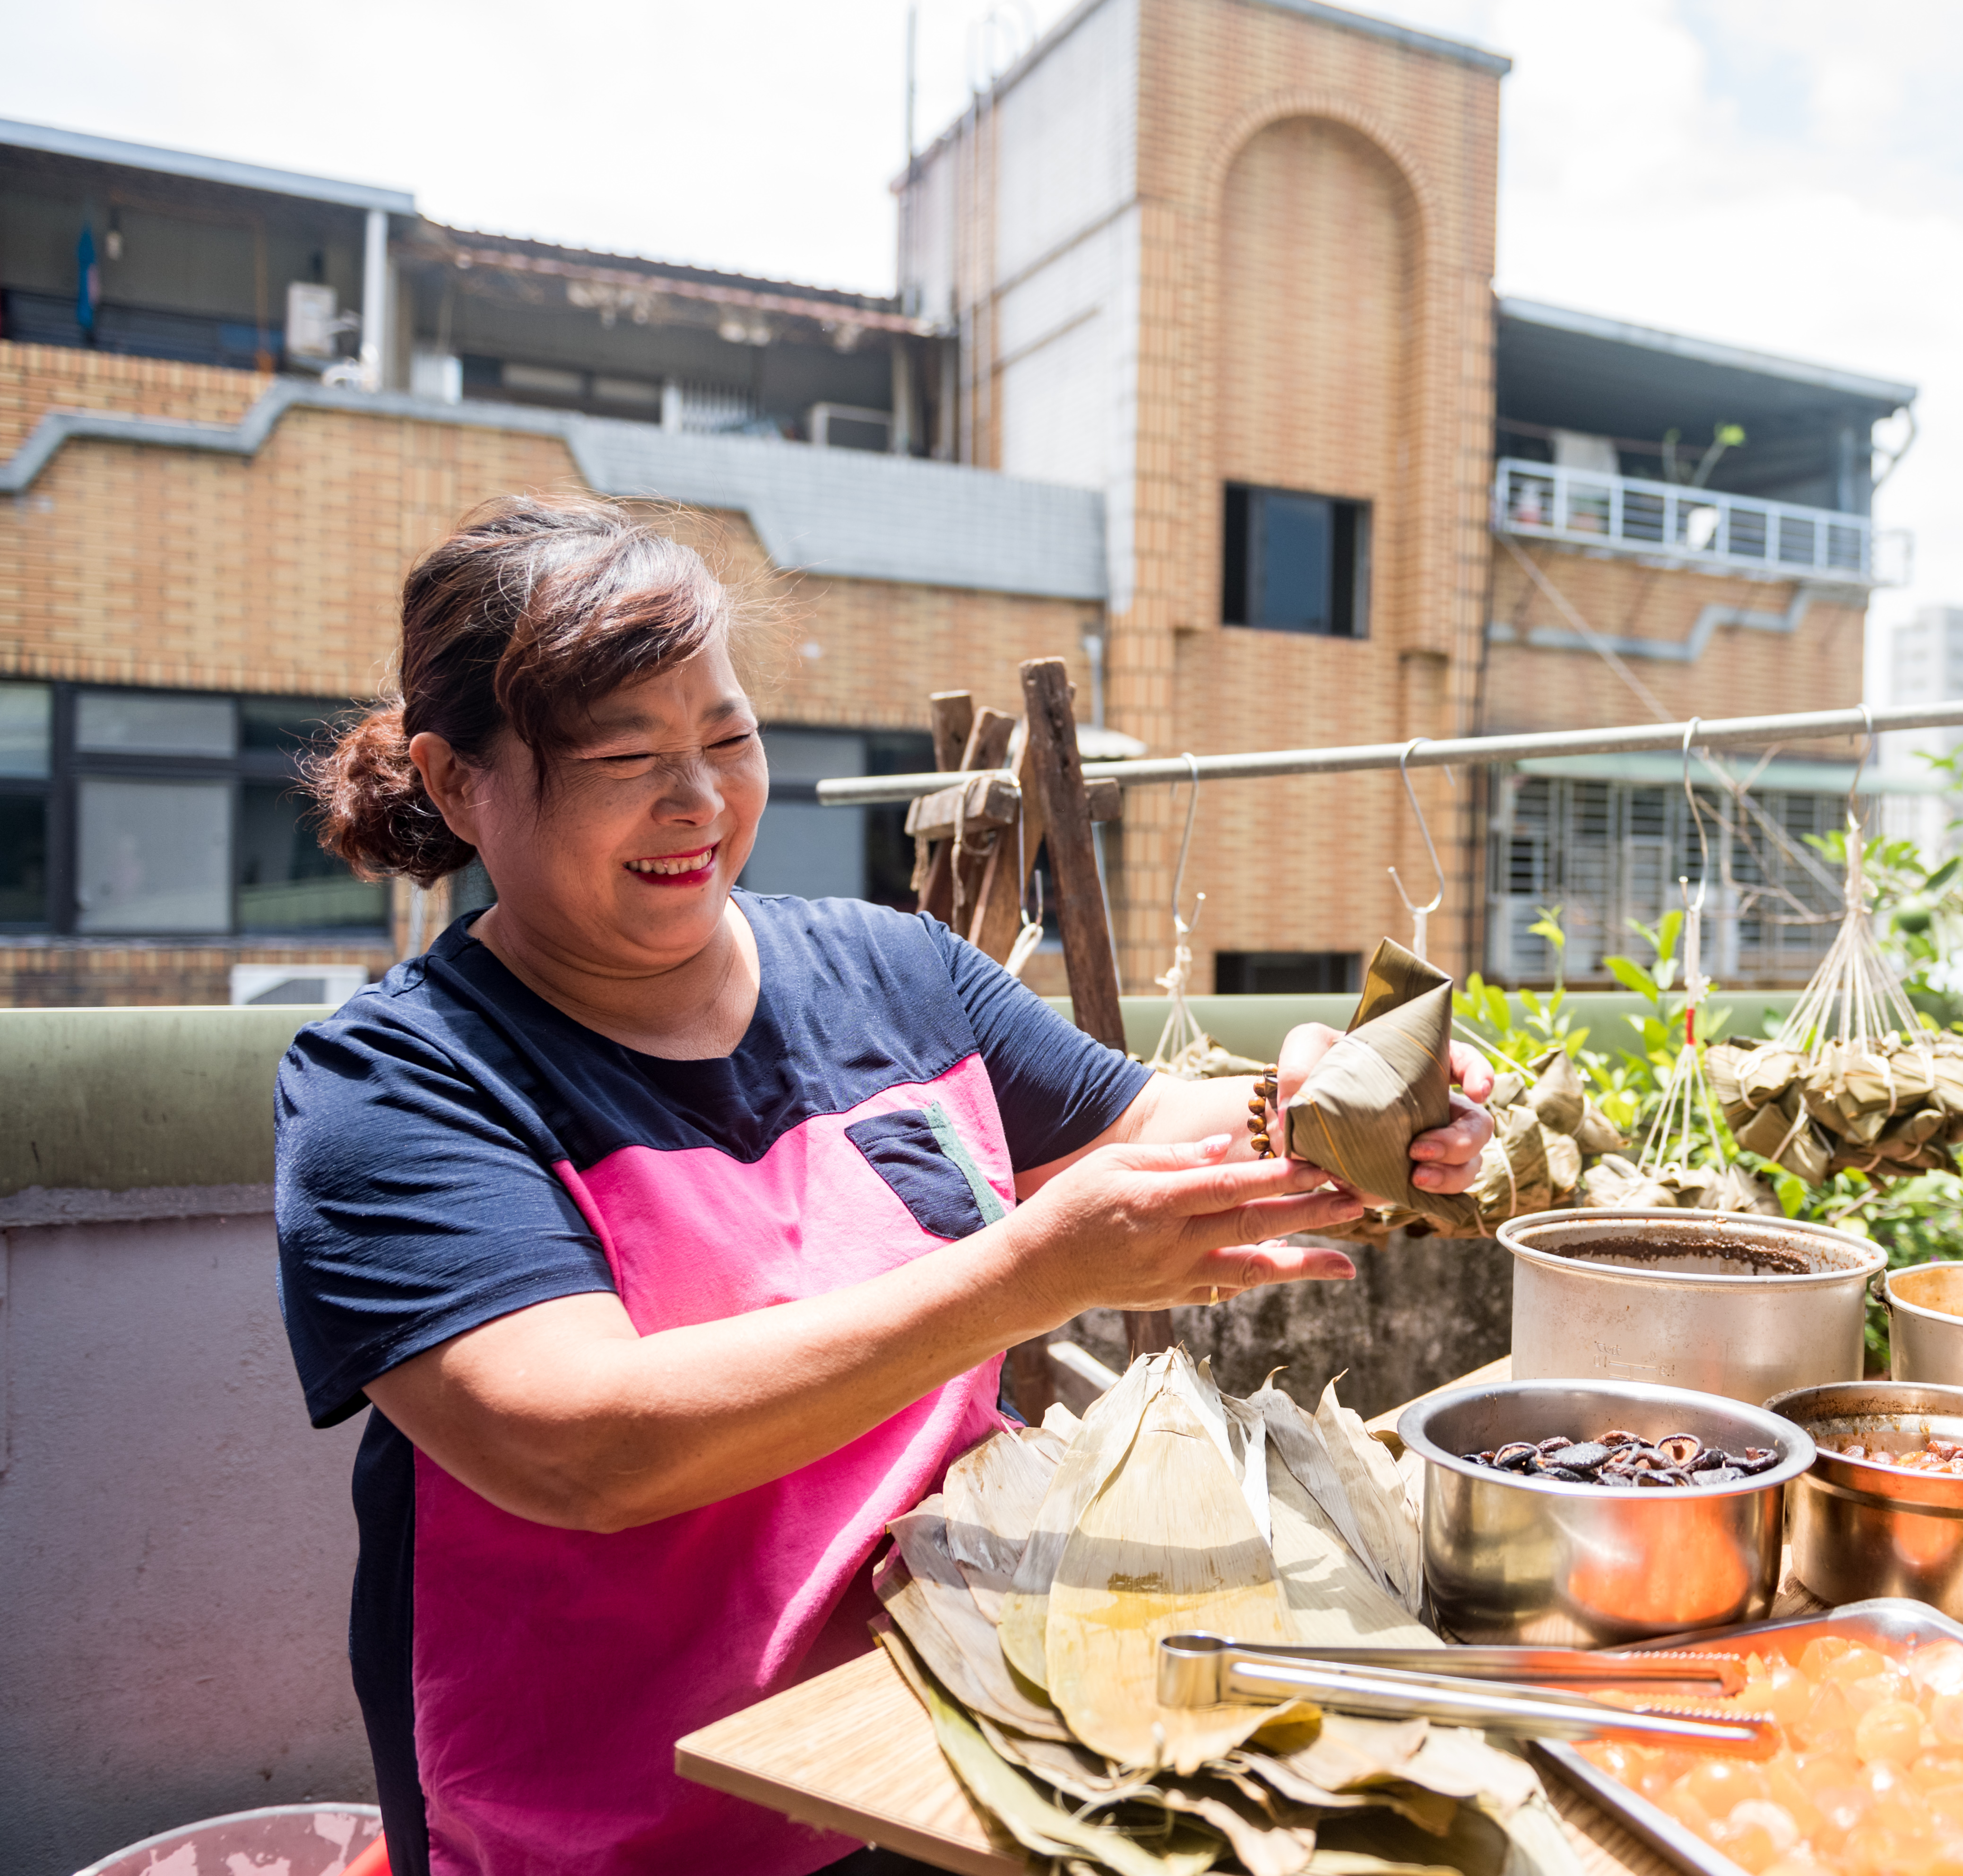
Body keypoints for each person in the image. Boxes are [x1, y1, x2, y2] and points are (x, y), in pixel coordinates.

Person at [273, 500, 1493, 1876]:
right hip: (625, 1817)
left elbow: (1163, 1128)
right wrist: (1034, 1274)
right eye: (626, 757)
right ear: (454, 781)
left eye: (726, 738)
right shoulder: (399, 1085)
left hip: (955, 1742)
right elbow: (578, 1447)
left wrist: (1341, 1105)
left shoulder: (896, 971)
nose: (701, 802)